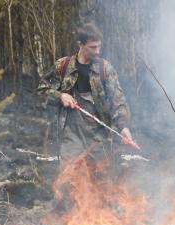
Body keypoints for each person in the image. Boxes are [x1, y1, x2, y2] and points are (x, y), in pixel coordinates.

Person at [37, 23, 134, 166]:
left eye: (99, 46)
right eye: (93, 47)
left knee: (100, 180)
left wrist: (124, 127)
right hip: (71, 136)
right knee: (69, 179)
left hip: (99, 137)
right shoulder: (63, 66)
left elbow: (117, 100)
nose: (97, 51)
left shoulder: (104, 69)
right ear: (80, 44)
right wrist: (60, 96)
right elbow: (42, 89)